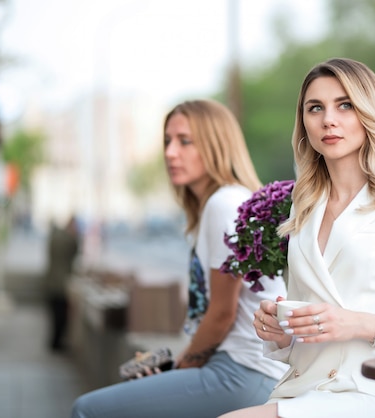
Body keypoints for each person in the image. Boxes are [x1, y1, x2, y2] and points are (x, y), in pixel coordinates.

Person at [220, 58, 375, 418]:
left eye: (345, 105)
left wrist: (361, 323)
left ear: (370, 112)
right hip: (300, 388)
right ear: (303, 122)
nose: (328, 120)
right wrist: (279, 332)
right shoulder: (302, 209)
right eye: (315, 108)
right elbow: (309, 335)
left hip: (371, 393)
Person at [71, 99, 288, 418]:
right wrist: (178, 363)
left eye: (185, 141)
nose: (171, 152)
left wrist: (179, 369)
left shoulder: (225, 204)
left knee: (87, 410)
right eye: (168, 141)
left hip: (244, 372)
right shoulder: (227, 202)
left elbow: (222, 314)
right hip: (239, 367)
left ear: (215, 144)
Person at [44, 215, 80, 352]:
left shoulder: (56, 237)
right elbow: (75, 250)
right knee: (60, 317)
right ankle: (56, 344)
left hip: (53, 282)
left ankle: (55, 342)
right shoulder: (65, 239)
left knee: (56, 316)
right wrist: (76, 236)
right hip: (59, 284)